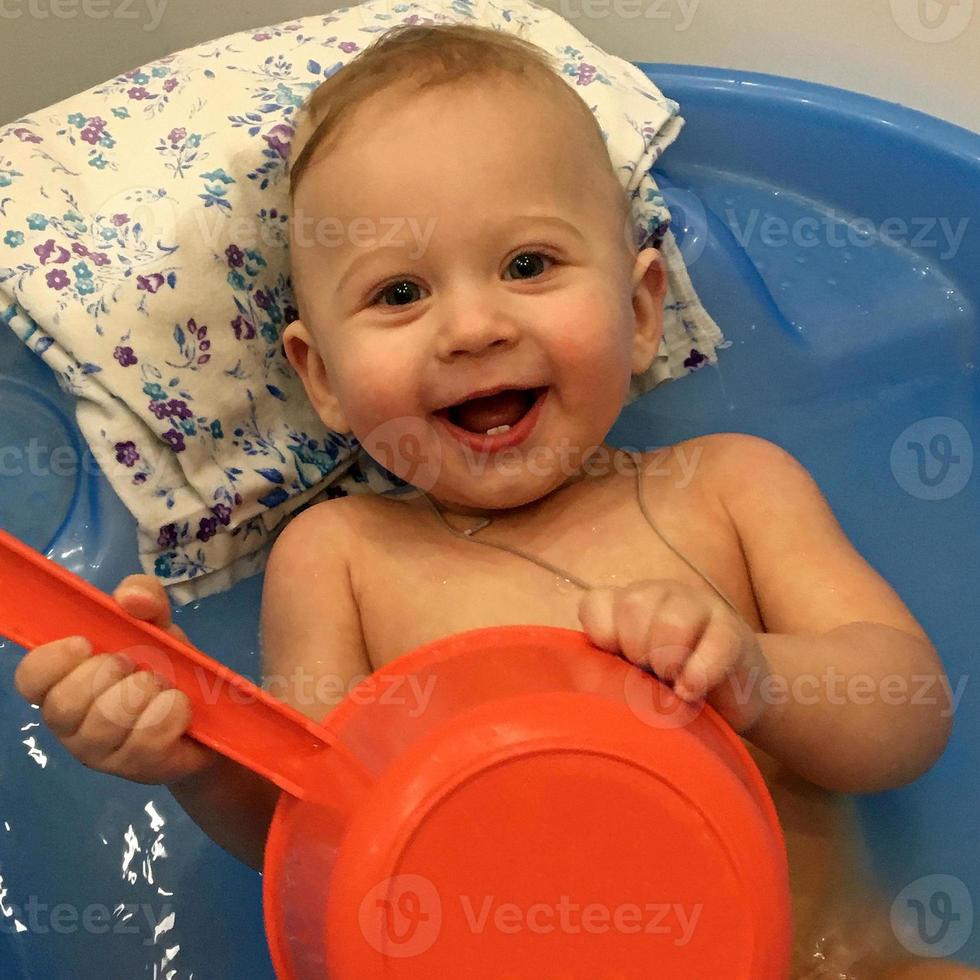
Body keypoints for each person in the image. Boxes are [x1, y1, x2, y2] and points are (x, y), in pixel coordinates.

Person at [13, 23, 976, 979]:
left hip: (834, 961)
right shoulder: (343, 557)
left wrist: (758, 679)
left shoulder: (731, 488)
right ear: (324, 379)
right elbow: (308, 837)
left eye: (528, 265)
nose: (473, 327)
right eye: (398, 292)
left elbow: (908, 715)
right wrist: (199, 749)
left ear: (641, 310)